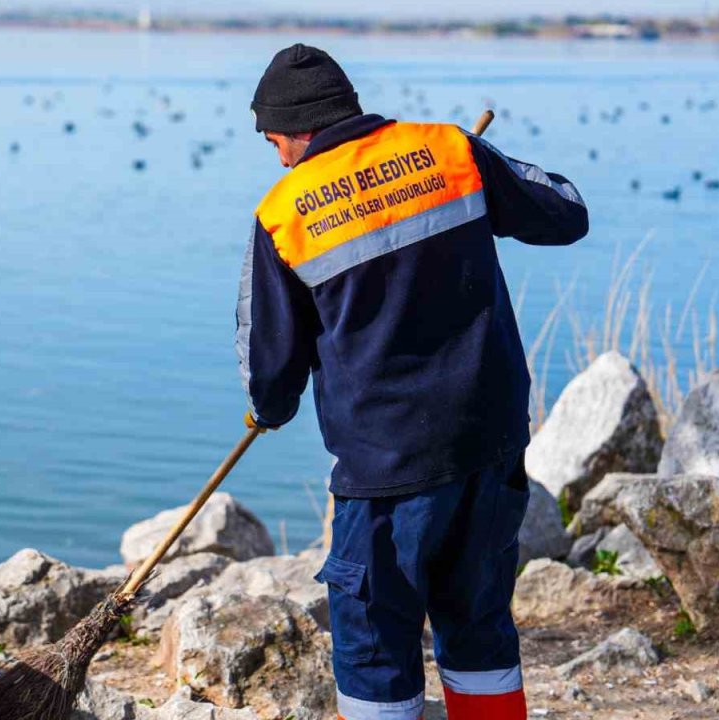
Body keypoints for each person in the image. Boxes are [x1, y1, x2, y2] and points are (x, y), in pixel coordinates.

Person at [236, 44, 588, 720]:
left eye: (276, 141)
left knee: (374, 649)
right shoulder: (451, 150)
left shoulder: (285, 214)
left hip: (387, 474)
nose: (279, 158)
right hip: (489, 449)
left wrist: (267, 411)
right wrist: (479, 173)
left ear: (300, 127)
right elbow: (565, 213)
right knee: (480, 627)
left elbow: (270, 368)